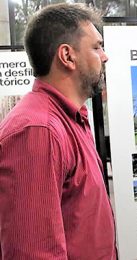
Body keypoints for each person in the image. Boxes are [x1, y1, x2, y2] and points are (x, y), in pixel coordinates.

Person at [0, 3, 116, 259]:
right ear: (67, 56)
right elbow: (32, 253)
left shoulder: (71, 119)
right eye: (97, 47)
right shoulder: (37, 131)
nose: (105, 56)